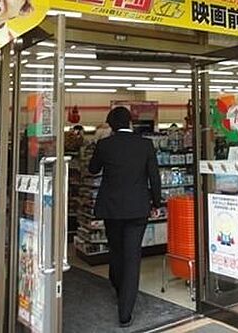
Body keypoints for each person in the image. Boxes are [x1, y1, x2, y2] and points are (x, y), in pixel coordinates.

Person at [88, 107, 162, 328]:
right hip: (138, 208)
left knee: (116, 250)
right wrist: (156, 203)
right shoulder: (145, 144)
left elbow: (93, 169)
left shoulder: (104, 145)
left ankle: (118, 286)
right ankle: (125, 312)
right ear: (130, 122)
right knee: (132, 256)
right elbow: (154, 177)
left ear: (111, 125)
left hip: (111, 209)